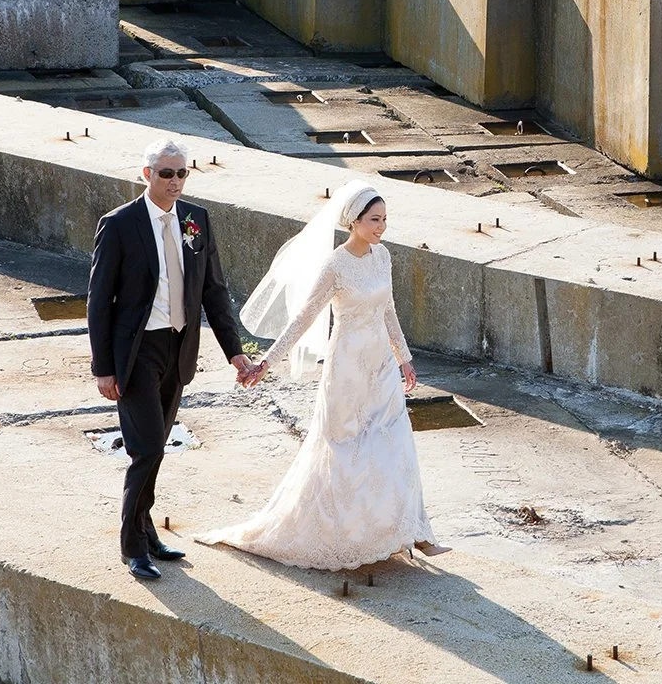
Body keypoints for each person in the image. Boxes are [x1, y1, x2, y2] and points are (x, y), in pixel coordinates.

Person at [197, 181, 449, 569]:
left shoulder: (383, 257)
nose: (382, 227)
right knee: (346, 451)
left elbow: (388, 310)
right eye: (374, 219)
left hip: (381, 365)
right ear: (354, 221)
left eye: (385, 219)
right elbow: (304, 318)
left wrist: (404, 358)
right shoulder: (335, 265)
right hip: (347, 368)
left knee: (396, 443)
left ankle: (415, 532)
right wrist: (266, 362)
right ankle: (346, 537)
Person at [88, 138, 254, 580]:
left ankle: (146, 532)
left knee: (156, 447)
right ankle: (132, 546)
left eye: (182, 173)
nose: (175, 181)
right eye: (166, 173)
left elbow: (214, 291)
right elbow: (99, 300)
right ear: (147, 175)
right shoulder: (119, 224)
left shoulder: (196, 220)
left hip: (179, 349)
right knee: (146, 448)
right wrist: (103, 368)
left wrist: (235, 352)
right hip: (136, 352)